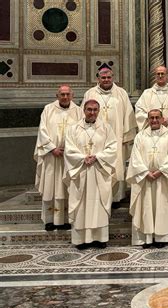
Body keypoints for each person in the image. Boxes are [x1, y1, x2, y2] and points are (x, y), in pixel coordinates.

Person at [64, 100, 117, 250]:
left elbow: (113, 148)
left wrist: (97, 157)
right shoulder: (73, 129)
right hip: (81, 172)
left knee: (99, 204)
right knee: (81, 205)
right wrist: (82, 158)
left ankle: (100, 238)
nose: (92, 112)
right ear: (84, 110)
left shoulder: (106, 128)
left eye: (95, 110)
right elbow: (69, 149)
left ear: (98, 111)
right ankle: (81, 240)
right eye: (89, 109)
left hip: (99, 172)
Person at [82, 68, 137, 208]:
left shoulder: (121, 93)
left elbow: (128, 116)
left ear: (113, 77)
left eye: (108, 77)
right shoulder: (90, 93)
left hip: (116, 137)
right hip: (95, 138)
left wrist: (126, 137)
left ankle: (116, 198)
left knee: (116, 165)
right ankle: (98, 196)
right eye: (103, 77)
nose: (106, 80)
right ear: (98, 79)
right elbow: (83, 115)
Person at [127, 109, 168, 248]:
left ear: (163, 119)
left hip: (163, 179)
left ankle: (162, 238)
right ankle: (147, 238)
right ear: (148, 120)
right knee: (146, 208)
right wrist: (145, 172)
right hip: (145, 179)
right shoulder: (140, 136)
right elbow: (135, 158)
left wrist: (161, 171)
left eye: (157, 118)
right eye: (152, 118)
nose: (154, 120)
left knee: (162, 207)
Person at [34, 85, 82, 231]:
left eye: (68, 94)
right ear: (57, 95)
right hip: (51, 156)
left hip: (69, 158)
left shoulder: (78, 111)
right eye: (62, 94)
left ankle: (66, 219)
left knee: (66, 187)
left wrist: (70, 149)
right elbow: (42, 130)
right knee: (51, 187)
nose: (65, 97)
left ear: (72, 95)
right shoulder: (48, 109)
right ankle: (50, 220)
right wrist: (52, 148)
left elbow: (81, 132)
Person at [135, 65, 168, 131]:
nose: (160, 76)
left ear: (167, 76)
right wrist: (153, 119)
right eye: (158, 74)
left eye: (162, 74)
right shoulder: (147, 93)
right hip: (152, 131)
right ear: (155, 76)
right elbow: (139, 111)